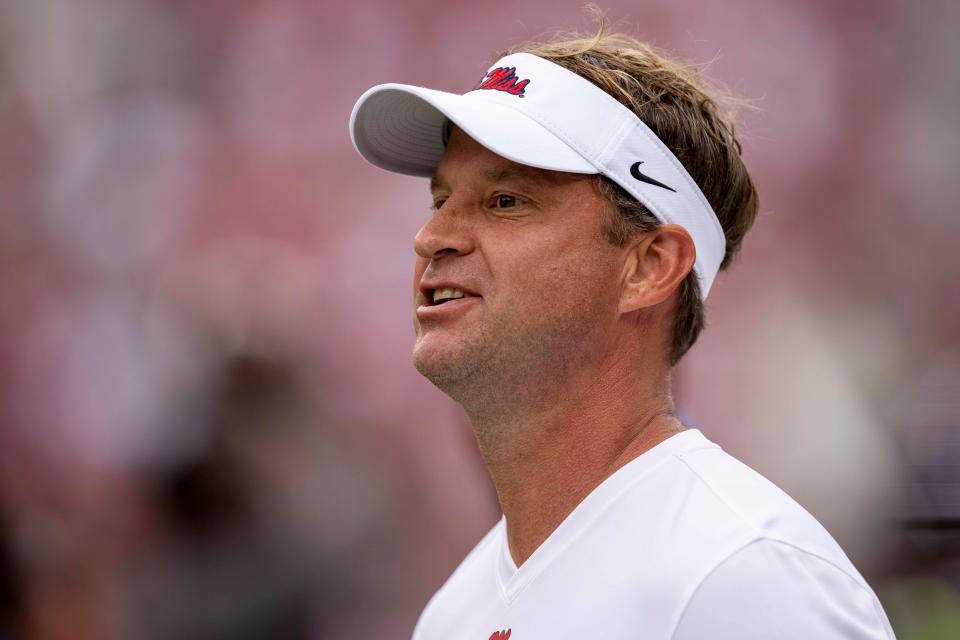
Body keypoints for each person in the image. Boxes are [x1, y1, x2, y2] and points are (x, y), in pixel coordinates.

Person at [348, 25, 896, 640]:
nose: (430, 238)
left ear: (650, 267)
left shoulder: (747, 576)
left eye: (506, 201)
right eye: (439, 200)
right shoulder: (453, 614)